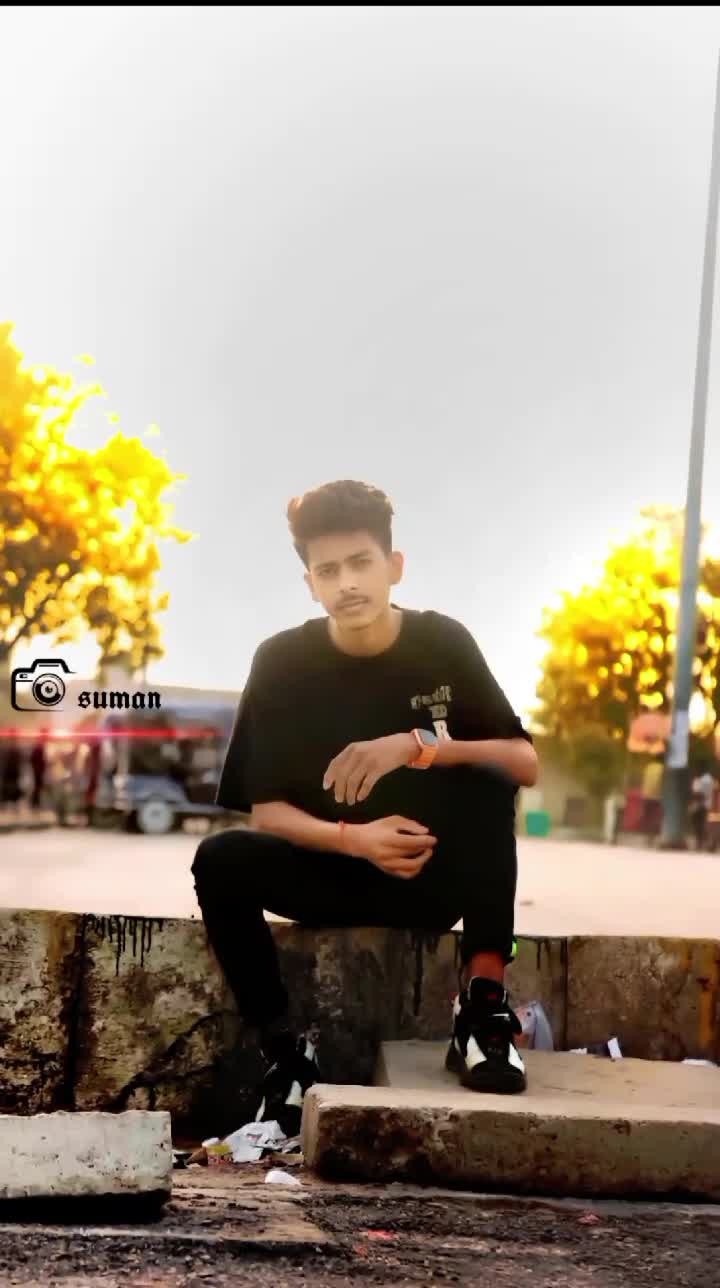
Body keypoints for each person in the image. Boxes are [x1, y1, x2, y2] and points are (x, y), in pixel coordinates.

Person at [192, 480, 538, 1132]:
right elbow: (267, 812)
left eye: (361, 563)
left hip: (428, 877)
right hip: (330, 872)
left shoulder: (443, 643)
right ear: (310, 584)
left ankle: (482, 1009)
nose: (347, 583)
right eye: (328, 570)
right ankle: (283, 1055)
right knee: (220, 859)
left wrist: (416, 746)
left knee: (489, 774)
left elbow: (524, 762)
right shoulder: (281, 662)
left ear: (393, 566)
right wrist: (356, 838)